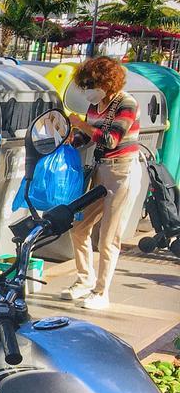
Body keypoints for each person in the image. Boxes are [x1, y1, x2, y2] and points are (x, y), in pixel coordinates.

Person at [62, 57, 143, 311]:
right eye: (84, 85)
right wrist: (70, 138)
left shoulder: (126, 103)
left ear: (107, 82)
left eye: (91, 84)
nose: (87, 90)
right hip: (100, 170)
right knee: (79, 227)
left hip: (122, 172)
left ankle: (101, 292)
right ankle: (84, 279)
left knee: (108, 237)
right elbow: (87, 137)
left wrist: (80, 124)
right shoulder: (96, 105)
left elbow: (110, 139)